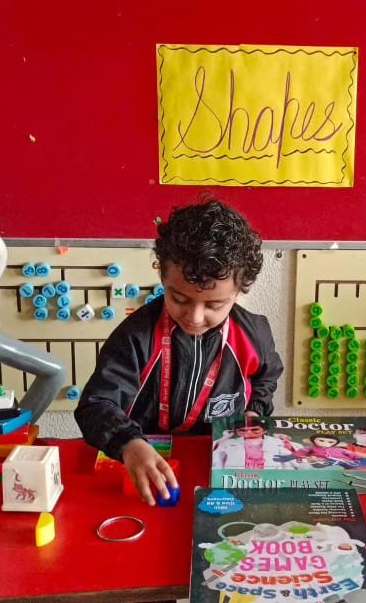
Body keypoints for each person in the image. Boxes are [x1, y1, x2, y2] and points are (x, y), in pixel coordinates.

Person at [74, 199, 284, 504]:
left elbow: (266, 377)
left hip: (218, 462)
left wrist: (254, 412)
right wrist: (127, 443)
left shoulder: (254, 334)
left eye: (214, 305)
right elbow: (96, 405)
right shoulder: (136, 336)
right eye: (179, 298)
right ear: (162, 276)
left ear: (239, 291)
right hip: (143, 461)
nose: (194, 317)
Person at [211, 416, 297, 470]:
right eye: (242, 430)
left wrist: (288, 445)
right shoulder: (229, 443)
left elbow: (299, 463)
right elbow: (213, 459)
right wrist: (224, 438)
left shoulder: (278, 442)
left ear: (264, 431)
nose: (249, 433)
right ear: (237, 432)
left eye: (255, 429)